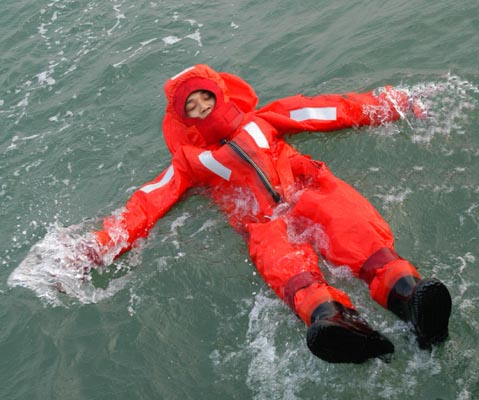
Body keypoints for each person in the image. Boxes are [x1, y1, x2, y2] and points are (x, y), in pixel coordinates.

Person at [91, 64, 451, 363]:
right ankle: (335, 322)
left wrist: (395, 103)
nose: (202, 108)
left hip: (309, 191)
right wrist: (102, 244)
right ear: (184, 119)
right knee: (289, 270)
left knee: (353, 229)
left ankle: (408, 295)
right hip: (263, 223)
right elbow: (148, 201)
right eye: (191, 107)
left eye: (205, 98)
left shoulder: (263, 119)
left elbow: (327, 109)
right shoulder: (190, 160)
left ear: (220, 94)